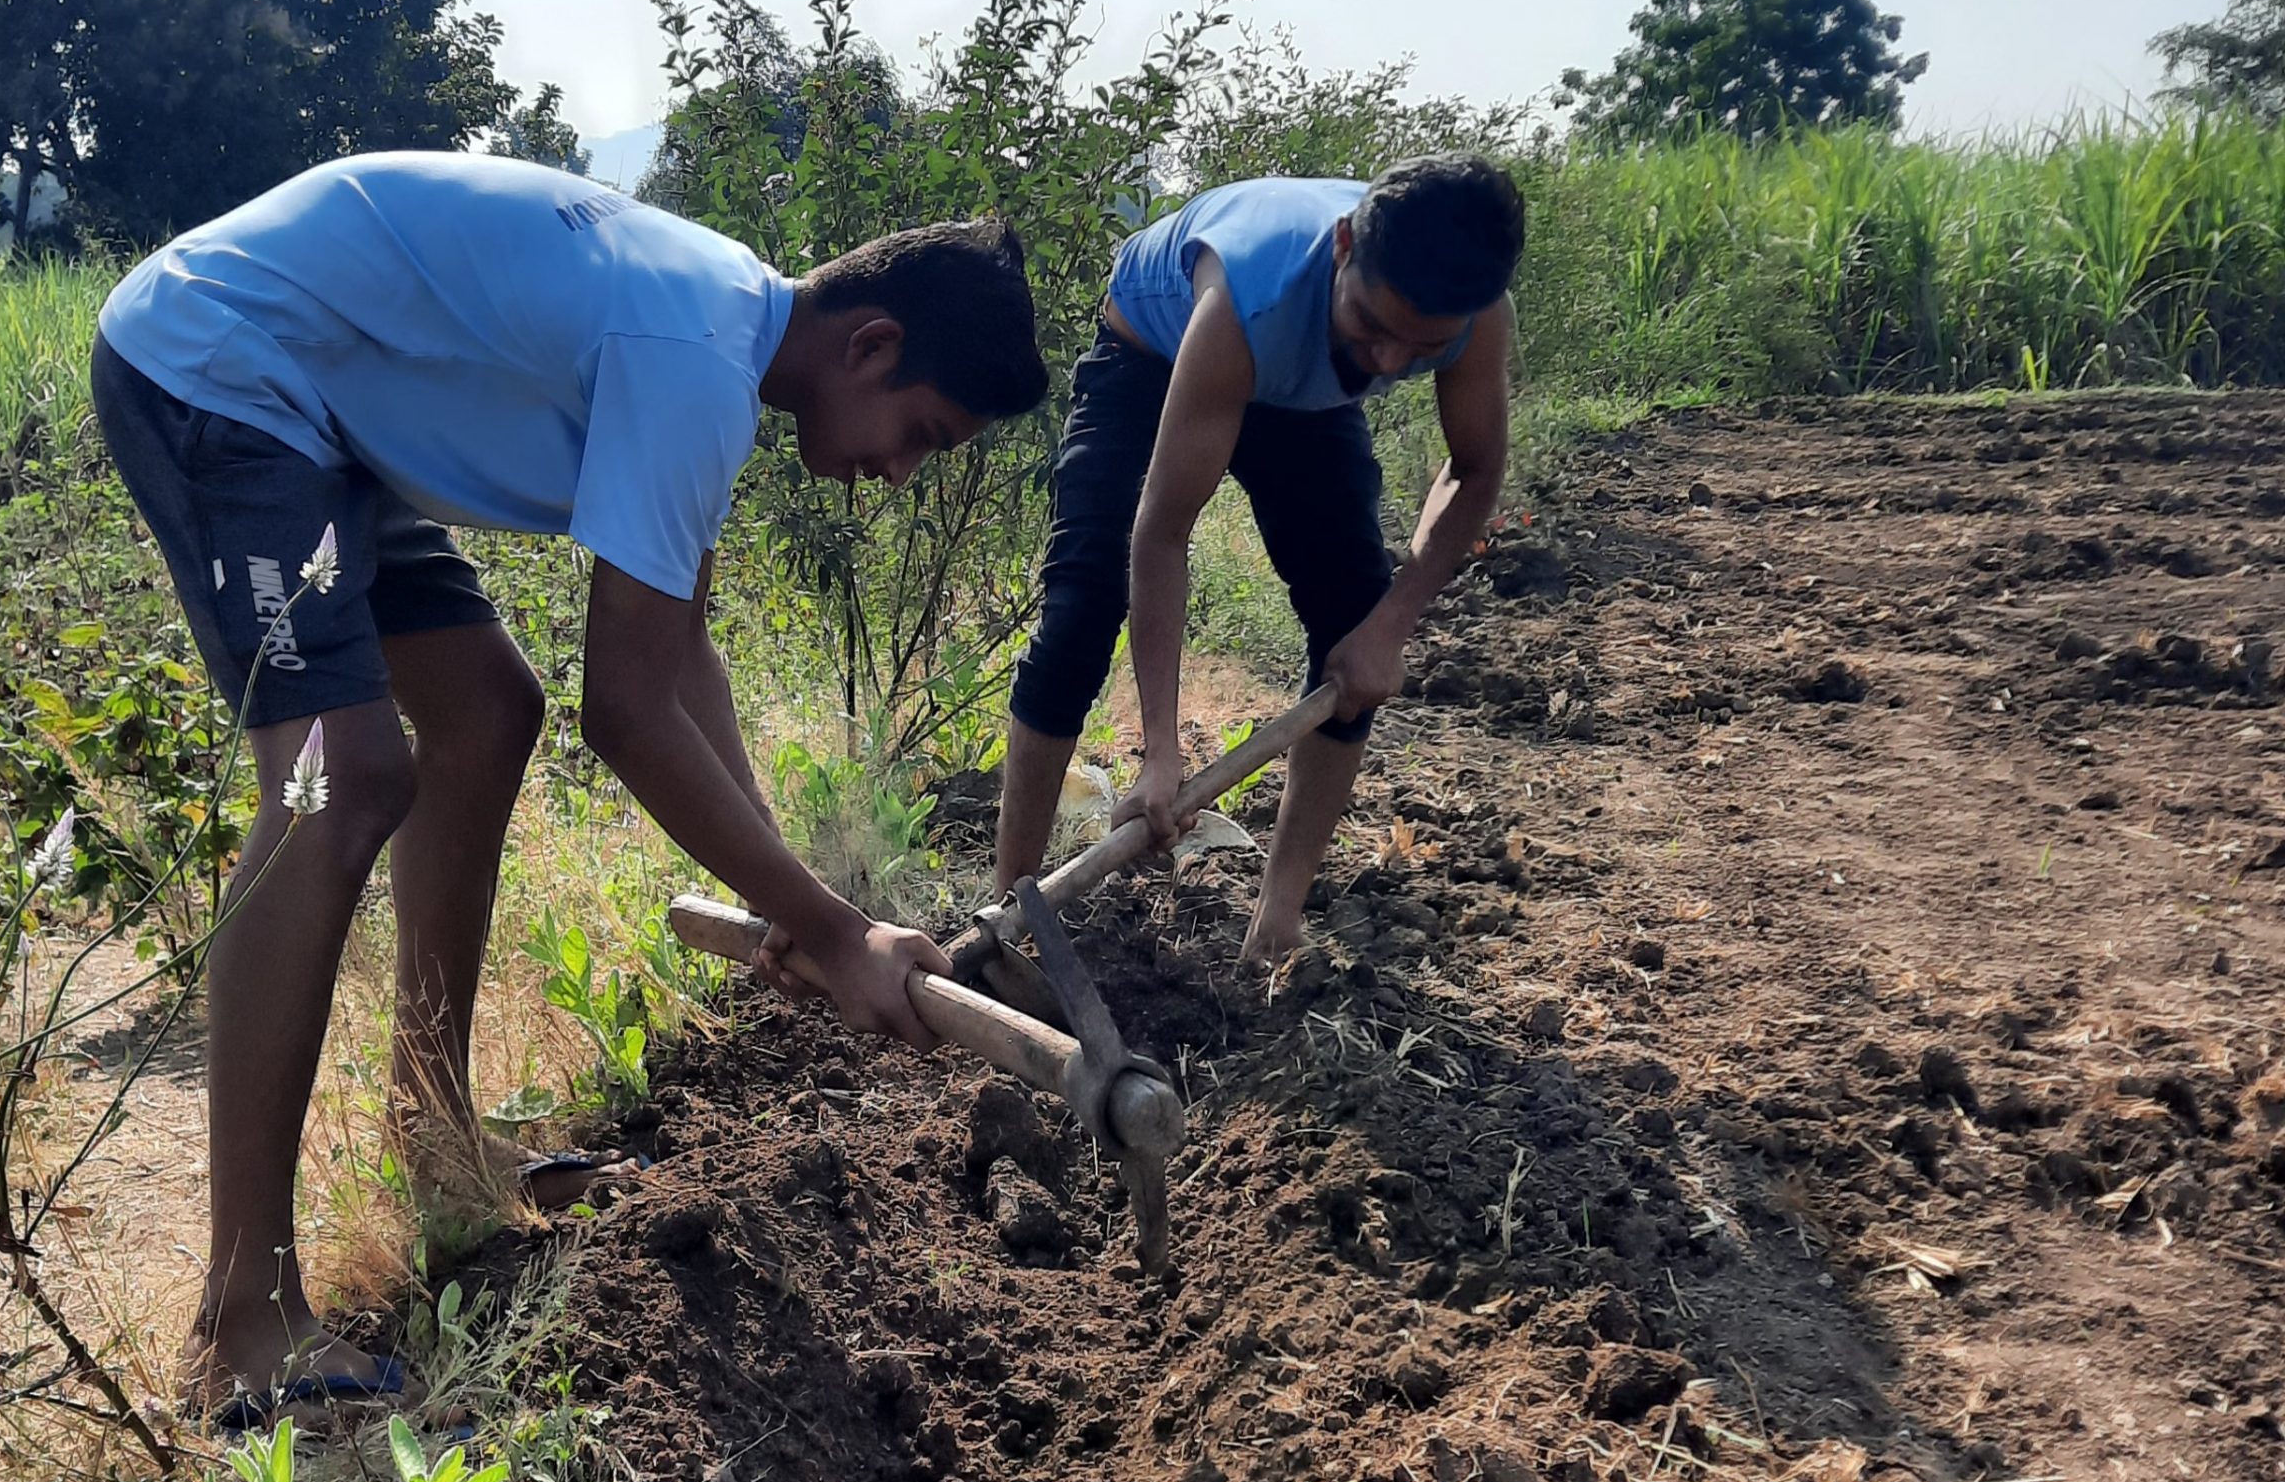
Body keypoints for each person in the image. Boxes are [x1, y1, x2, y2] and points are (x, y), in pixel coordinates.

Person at [90, 151, 1046, 1415]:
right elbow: (631, 712)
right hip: (224, 371)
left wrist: (791, 909)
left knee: (487, 711)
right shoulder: (695, 351)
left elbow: (680, 653)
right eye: (920, 433)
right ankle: (244, 1315)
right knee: (338, 777)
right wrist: (830, 927)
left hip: (326, 422)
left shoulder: (717, 329)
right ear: (870, 345)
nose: (900, 470)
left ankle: (436, 1135)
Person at [992, 153, 1522, 963]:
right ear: (1344, 245)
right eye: (1374, 328)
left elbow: (1477, 468)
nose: (1387, 363)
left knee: (1352, 612)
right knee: (1083, 606)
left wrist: (1389, 625)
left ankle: (1274, 929)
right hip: (1155, 351)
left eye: (1420, 348)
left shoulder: (1474, 313)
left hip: (1300, 383)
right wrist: (1161, 752)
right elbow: (1161, 531)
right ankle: (1010, 913)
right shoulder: (1250, 298)